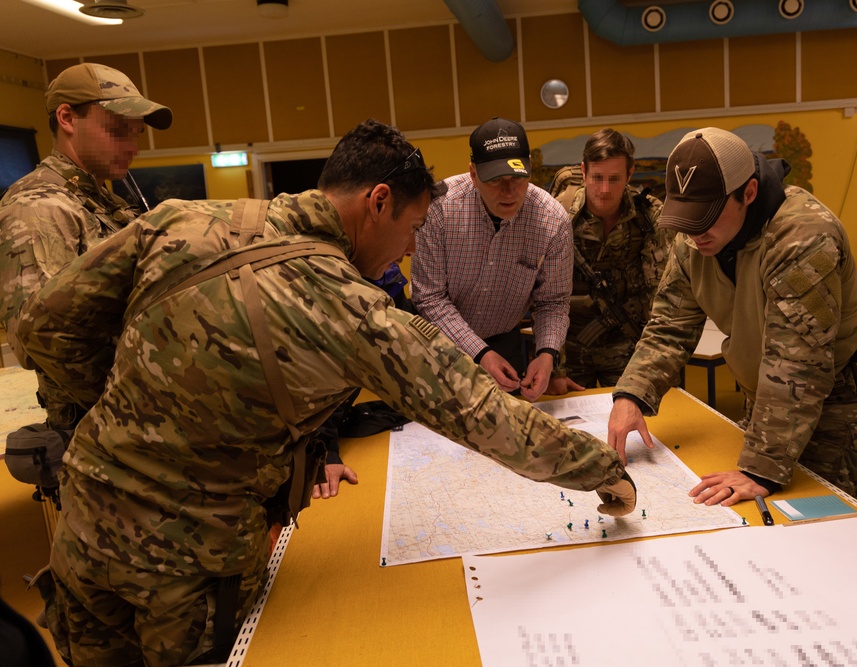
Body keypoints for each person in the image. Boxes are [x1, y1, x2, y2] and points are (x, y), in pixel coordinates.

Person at [14, 119, 635, 667]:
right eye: (414, 228)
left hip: (84, 533)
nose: (414, 247)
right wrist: (602, 468)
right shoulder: (347, 307)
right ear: (379, 202)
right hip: (186, 577)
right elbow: (482, 415)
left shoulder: (181, 219)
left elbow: (44, 325)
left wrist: (120, 408)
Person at [607, 126, 857, 503]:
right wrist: (632, 395)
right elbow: (669, 327)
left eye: (705, 216)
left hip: (833, 407)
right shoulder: (695, 236)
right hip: (769, 401)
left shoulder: (803, 235)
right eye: (686, 219)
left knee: (813, 526)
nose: (695, 233)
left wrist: (761, 469)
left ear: (749, 192)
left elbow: (797, 363)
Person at [0, 62, 172, 431]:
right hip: (103, 426)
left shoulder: (93, 198)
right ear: (67, 118)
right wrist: (133, 403)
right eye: (117, 131)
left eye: (136, 134)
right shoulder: (40, 206)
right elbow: (37, 340)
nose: (132, 147)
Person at [410, 117, 572, 402]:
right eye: (496, 180)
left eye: (518, 178)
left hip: (506, 343)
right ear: (473, 174)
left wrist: (547, 354)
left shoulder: (552, 220)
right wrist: (480, 353)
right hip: (441, 350)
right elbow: (430, 298)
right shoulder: (439, 210)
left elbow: (553, 302)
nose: (509, 191)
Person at [546, 128, 671, 395]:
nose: (604, 190)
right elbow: (546, 298)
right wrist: (555, 368)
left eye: (614, 179)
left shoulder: (647, 217)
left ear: (630, 174)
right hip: (571, 349)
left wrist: (652, 366)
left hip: (629, 348)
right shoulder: (558, 216)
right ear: (584, 171)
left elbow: (659, 296)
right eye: (597, 178)